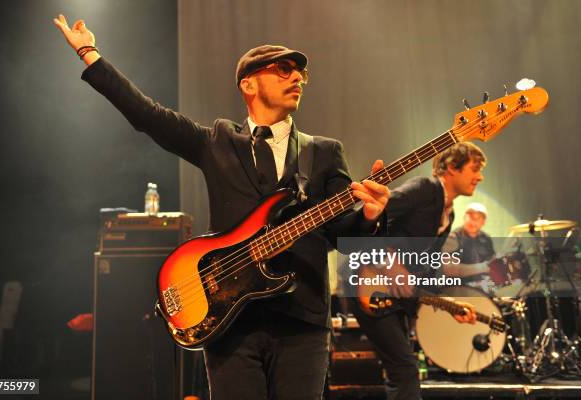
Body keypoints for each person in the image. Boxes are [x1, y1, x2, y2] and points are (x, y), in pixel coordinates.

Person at [53, 15, 390, 400]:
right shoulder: (217, 141)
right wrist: (89, 53)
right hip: (230, 320)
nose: (297, 78)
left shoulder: (324, 152)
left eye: (301, 74)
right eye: (283, 69)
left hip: (303, 321)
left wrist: (370, 214)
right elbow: (146, 115)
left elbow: (339, 233)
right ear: (248, 83)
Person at [351, 142, 486, 400]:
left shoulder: (449, 214)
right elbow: (370, 216)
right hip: (369, 284)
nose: (479, 176)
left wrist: (449, 305)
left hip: (398, 299)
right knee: (405, 369)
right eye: (474, 169)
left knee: (402, 371)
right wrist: (389, 264)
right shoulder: (424, 189)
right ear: (450, 168)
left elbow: (424, 271)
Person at [441, 202, 495, 284]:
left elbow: (492, 263)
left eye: (478, 218)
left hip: (481, 287)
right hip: (456, 289)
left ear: (483, 222)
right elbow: (449, 269)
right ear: (464, 217)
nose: (473, 222)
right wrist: (483, 267)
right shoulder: (453, 237)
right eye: (470, 216)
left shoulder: (486, 239)